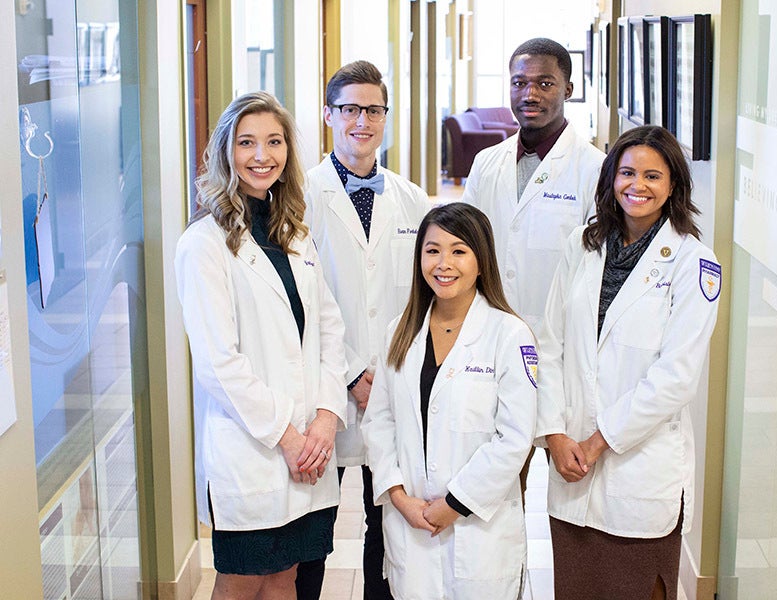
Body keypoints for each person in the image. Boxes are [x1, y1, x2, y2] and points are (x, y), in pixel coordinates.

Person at [175, 91, 348, 600]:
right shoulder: (203, 245)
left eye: (274, 142)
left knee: (286, 576)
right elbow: (217, 364)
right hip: (253, 448)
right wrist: (291, 439)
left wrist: (324, 416)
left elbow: (329, 328)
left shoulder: (293, 232)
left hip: (309, 447)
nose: (261, 155)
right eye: (247, 142)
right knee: (242, 580)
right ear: (226, 151)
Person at [536, 125, 721, 600]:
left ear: (674, 186)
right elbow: (550, 343)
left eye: (653, 176)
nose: (637, 185)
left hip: (639, 471)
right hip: (571, 465)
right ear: (610, 178)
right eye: (626, 172)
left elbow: (675, 379)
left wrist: (597, 443)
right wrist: (555, 436)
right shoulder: (583, 244)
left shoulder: (694, 263)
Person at [361, 203, 537, 600]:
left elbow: (513, 439)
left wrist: (455, 504)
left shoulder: (510, 335)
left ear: (481, 261)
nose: (443, 263)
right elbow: (379, 422)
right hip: (412, 522)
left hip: (478, 533)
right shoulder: (400, 331)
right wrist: (398, 496)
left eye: (459, 251)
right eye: (432, 250)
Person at [304, 60, 433, 599]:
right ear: (330, 115)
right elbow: (306, 299)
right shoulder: (300, 195)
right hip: (327, 386)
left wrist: (391, 373)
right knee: (313, 533)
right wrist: (354, 372)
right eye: (350, 109)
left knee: (387, 532)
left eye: (373, 109)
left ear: (386, 116)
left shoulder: (413, 198)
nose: (362, 120)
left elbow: (427, 290)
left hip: (394, 383)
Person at [461, 37, 605, 332]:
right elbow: (464, 243)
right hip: (487, 327)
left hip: (556, 336)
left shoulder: (595, 168)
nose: (530, 94)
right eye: (519, 83)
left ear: (568, 90)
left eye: (545, 84)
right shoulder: (485, 162)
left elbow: (596, 268)